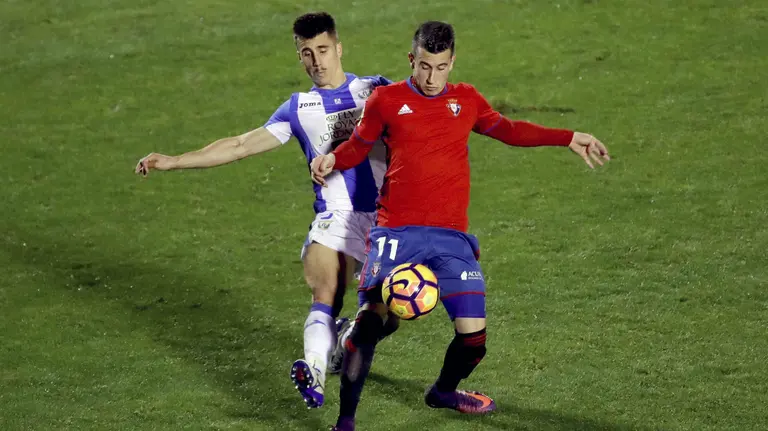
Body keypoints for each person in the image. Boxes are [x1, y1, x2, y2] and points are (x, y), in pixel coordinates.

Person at [310, 21, 611, 430]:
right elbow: (359, 146)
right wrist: (332, 159)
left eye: (441, 67)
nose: (432, 78)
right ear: (411, 60)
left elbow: (508, 130)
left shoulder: (466, 99)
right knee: (370, 324)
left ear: (452, 62)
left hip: (452, 239)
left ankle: (444, 392)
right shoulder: (386, 100)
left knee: (474, 339)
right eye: (424, 66)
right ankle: (345, 422)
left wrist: (568, 136)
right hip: (396, 232)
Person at [134, 12, 396, 409]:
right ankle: (314, 372)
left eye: (323, 50)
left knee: (389, 314)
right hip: (336, 217)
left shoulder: (375, 89)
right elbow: (240, 145)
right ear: (300, 57)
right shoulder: (298, 108)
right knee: (326, 292)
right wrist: (173, 161)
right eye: (306, 53)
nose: (316, 61)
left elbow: (418, 118)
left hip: (387, 220)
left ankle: (345, 340)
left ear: (339, 48)